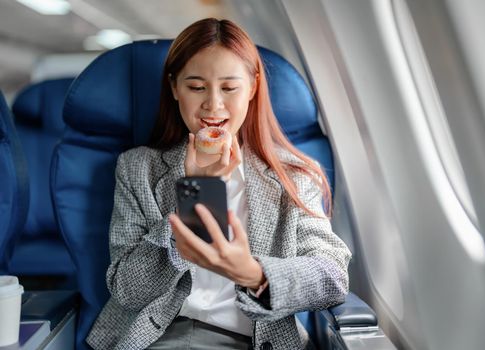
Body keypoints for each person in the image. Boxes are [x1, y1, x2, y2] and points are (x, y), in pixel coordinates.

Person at [86, 18, 351, 350]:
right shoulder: (138, 167)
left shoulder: (293, 174)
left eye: (229, 88)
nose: (213, 105)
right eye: (196, 87)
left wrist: (254, 273)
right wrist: (196, 193)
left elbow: (331, 276)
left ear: (253, 87)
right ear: (174, 88)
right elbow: (127, 289)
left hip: (254, 340)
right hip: (159, 337)